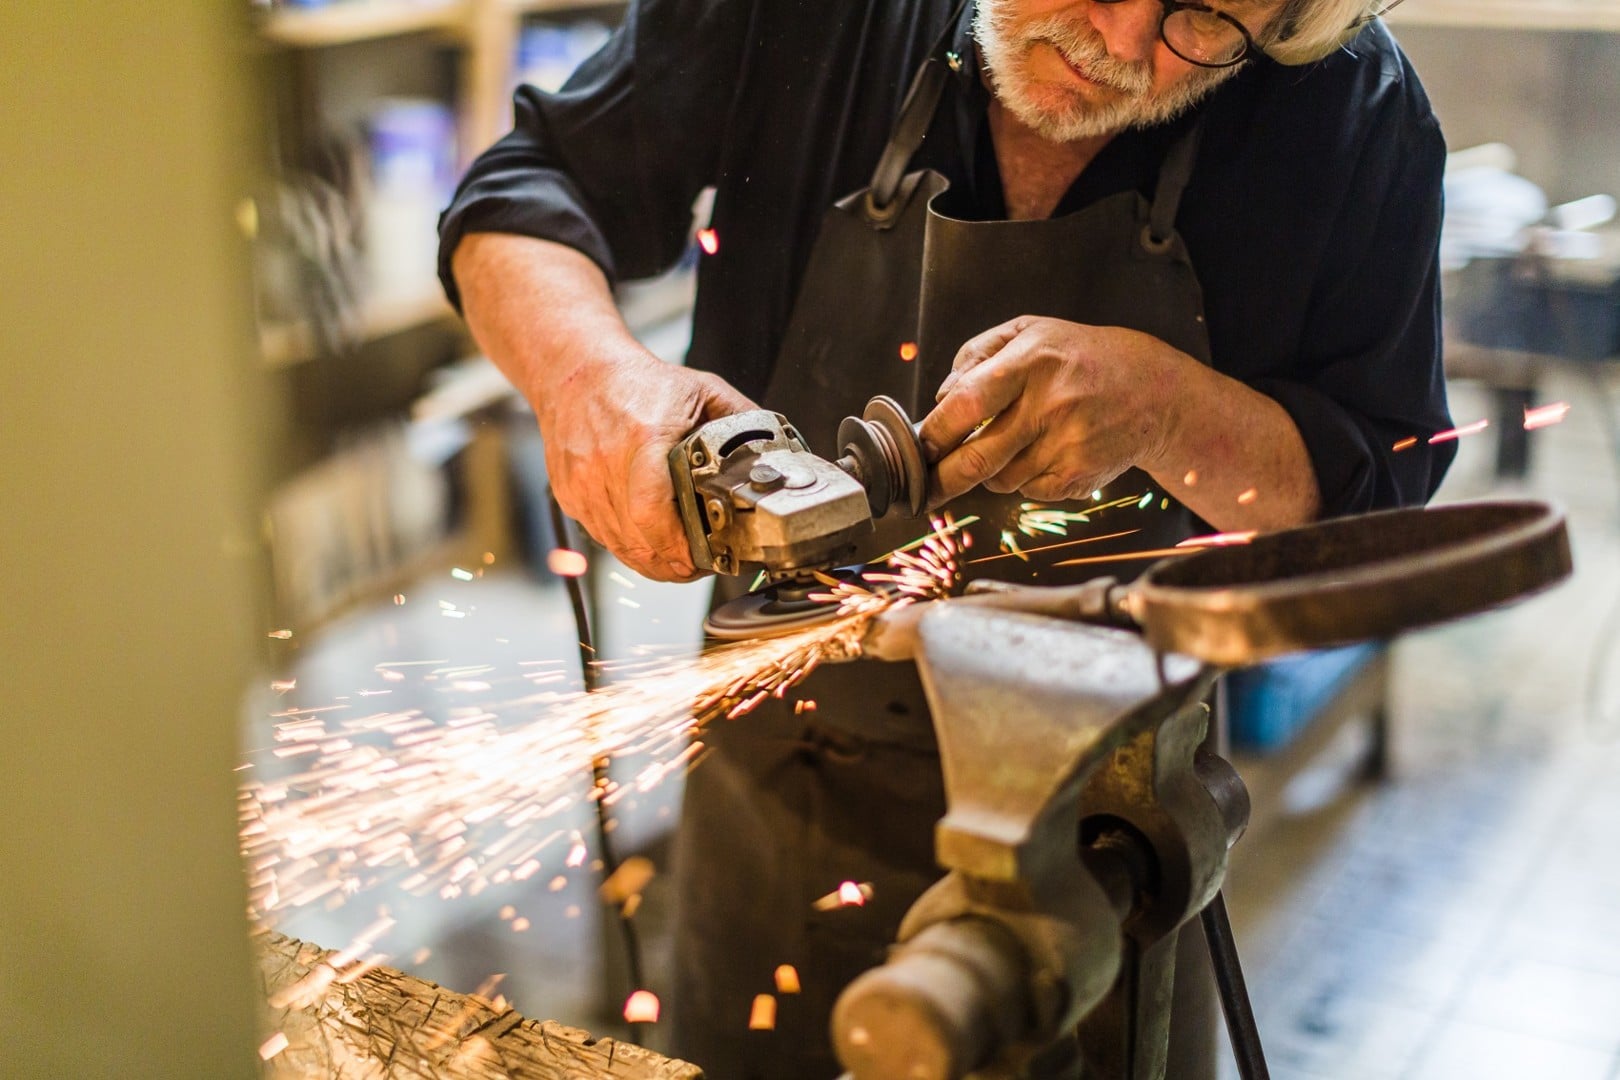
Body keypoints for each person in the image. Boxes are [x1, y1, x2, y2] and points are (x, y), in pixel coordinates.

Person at [439, 1, 1456, 1075]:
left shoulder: (1353, 111)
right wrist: (588, 377)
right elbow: (519, 192)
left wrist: (1171, 412)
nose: (1120, 45)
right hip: (782, 776)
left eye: (1202, 20)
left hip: (1114, 827)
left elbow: (1375, 504)